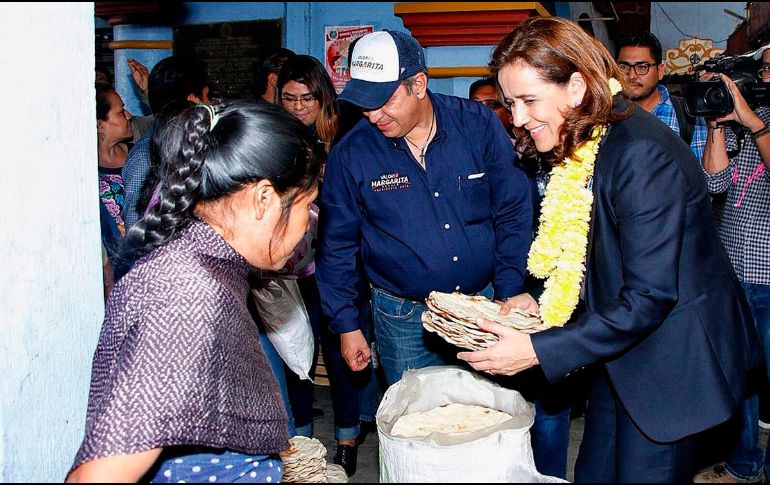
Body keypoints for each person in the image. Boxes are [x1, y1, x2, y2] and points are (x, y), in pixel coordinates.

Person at [457, 17, 759, 483]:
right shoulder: (591, 138)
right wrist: (539, 303)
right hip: (619, 362)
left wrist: (538, 349)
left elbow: (649, 297)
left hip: (670, 371)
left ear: (577, 87)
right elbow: (596, 256)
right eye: (509, 103)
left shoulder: (640, 153)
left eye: (528, 101)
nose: (516, 118)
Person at [66, 100, 321, 483]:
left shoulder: (202, 255)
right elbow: (98, 476)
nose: (310, 222)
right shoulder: (187, 294)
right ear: (263, 199)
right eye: (307, 205)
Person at [314, 30, 533, 387]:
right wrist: (346, 324)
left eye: (384, 101)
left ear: (418, 84)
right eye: (365, 104)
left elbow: (512, 210)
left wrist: (510, 287)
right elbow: (336, 244)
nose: (373, 116)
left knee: (487, 419)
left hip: (484, 308)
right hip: (403, 319)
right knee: (414, 427)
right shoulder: (351, 153)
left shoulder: (477, 126)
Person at [276, 54, 377, 476]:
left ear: (323, 96)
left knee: (342, 354)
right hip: (286, 267)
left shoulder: (348, 133)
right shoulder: (279, 137)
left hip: (341, 265)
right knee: (295, 355)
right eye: (289, 98)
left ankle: (347, 438)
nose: (298, 107)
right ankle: (298, 441)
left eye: (307, 98)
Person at [692, 45, 770, 484]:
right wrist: (718, 123)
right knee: (739, 376)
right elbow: (715, 182)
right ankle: (743, 463)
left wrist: (754, 123)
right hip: (734, 273)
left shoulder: (758, 123)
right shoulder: (741, 123)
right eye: (764, 67)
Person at [122, 55, 210, 231]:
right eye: (208, 97)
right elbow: (136, 229)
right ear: (193, 99)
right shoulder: (144, 157)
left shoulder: (197, 142)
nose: (210, 105)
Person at [615, 30, 708, 160]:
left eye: (642, 67)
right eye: (624, 67)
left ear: (660, 71)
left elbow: (699, 175)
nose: (631, 75)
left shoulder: (686, 116)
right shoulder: (606, 114)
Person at [96, 84, 133, 284]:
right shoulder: (87, 173)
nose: (128, 115)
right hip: (117, 272)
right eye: (120, 112)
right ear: (100, 125)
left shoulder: (137, 157)